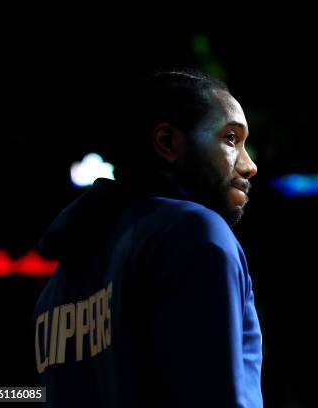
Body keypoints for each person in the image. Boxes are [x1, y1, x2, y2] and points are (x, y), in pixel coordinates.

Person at [32, 70, 262, 407]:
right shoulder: (196, 233)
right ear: (167, 143)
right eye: (230, 138)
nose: (249, 165)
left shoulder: (55, 290)